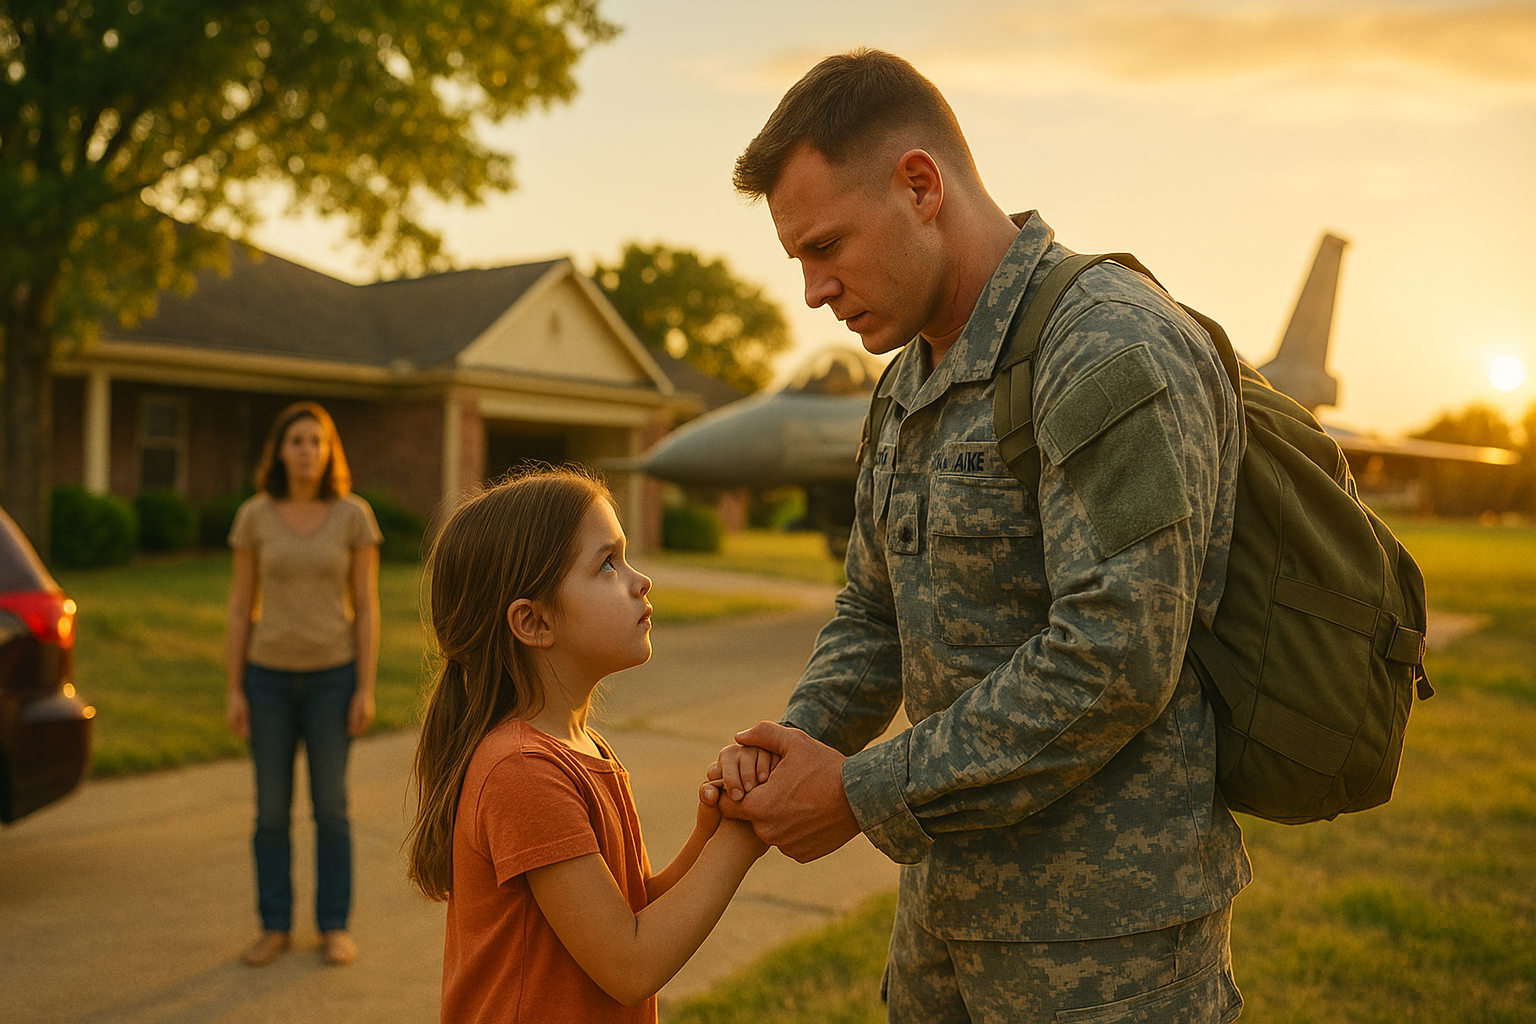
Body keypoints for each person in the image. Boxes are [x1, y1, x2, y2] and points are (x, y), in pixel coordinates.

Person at [705, 50, 1251, 1022]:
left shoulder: (1106, 345)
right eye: (798, 259)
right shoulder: (908, 378)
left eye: (825, 246)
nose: (813, 292)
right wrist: (798, 742)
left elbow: (1118, 652)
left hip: (1106, 945)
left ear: (921, 184)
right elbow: (873, 613)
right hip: (948, 915)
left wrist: (863, 790)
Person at [404, 467, 767, 1024]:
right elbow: (630, 965)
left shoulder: (581, 747)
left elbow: (631, 910)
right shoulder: (522, 771)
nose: (639, 580)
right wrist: (741, 839)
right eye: (606, 564)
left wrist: (712, 830)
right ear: (534, 621)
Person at [225, 401, 383, 967]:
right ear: (281, 450)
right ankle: (274, 927)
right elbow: (241, 606)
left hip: (333, 681)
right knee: (270, 812)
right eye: (296, 440)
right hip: (266, 681)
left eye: (316, 441)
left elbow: (366, 606)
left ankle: (334, 925)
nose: (307, 450)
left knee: (331, 808)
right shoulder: (255, 516)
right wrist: (235, 688)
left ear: (329, 451)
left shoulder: (353, 516)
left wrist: (364, 687)